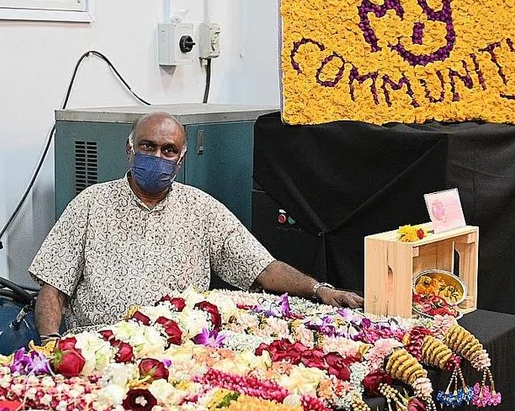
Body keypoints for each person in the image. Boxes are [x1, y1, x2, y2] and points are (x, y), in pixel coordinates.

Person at [29, 111, 363, 340]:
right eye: (148, 146)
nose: (157, 156)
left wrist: (320, 290)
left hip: (181, 353)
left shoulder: (201, 209)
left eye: (168, 150)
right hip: (98, 349)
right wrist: (50, 345)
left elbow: (261, 267)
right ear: (129, 150)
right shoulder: (90, 204)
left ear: (181, 159)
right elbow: (52, 290)